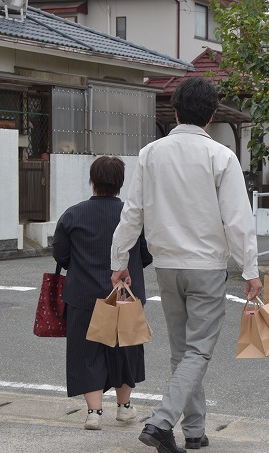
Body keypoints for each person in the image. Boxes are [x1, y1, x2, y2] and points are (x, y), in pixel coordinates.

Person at [110, 77, 262, 453]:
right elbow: (238, 220)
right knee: (198, 351)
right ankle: (162, 422)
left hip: (166, 264)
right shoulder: (222, 157)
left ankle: (194, 430)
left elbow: (133, 213)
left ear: (176, 111)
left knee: (183, 351)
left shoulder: (150, 153)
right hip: (207, 265)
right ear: (210, 116)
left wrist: (119, 258)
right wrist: (251, 269)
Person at [52, 156, 152, 431]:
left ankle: (94, 413)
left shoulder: (73, 214)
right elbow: (145, 255)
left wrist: (83, 267)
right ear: (120, 183)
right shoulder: (132, 216)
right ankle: (124, 408)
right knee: (125, 349)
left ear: (92, 181)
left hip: (83, 294)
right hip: (125, 294)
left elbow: (60, 253)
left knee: (86, 351)